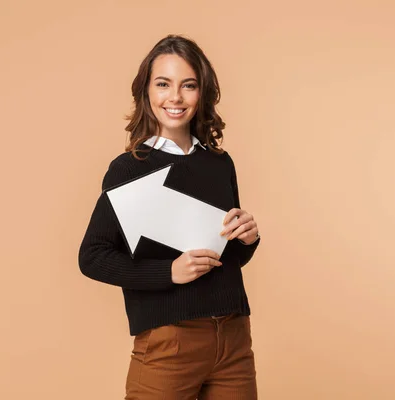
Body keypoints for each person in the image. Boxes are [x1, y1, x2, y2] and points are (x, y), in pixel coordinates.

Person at [78, 34, 262, 400]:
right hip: (169, 342)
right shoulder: (129, 169)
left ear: (202, 92)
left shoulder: (219, 163)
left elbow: (228, 257)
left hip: (234, 340)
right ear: (146, 91)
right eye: (163, 84)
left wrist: (248, 238)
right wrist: (168, 272)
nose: (175, 97)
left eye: (188, 85)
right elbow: (93, 256)